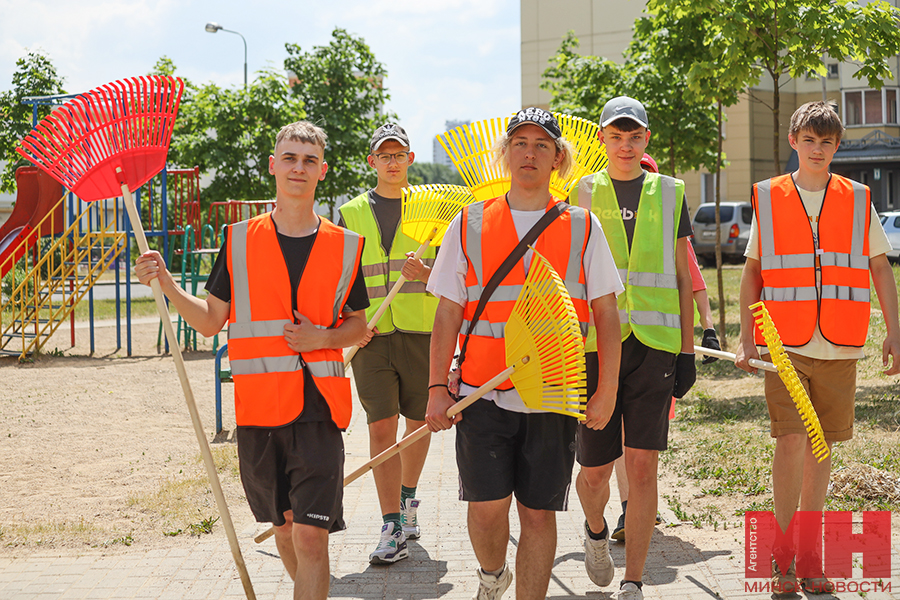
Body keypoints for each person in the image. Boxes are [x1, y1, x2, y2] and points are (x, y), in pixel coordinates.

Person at [134, 121, 369, 600]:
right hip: (259, 413)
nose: (298, 167)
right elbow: (209, 321)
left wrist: (321, 337)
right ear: (273, 166)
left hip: (319, 412)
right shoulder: (239, 239)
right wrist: (168, 286)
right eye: (290, 157)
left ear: (322, 171)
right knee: (284, 531)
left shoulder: (345, 246)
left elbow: (358, 327)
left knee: (310, 536)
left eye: (308, 160)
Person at [424, 107, 623, 600]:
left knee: (537, 513)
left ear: (559, 157)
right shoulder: (469, 223)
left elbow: (607, 315)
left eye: (541, 145)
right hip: (479, 394)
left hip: (552, 397)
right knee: (487, 509)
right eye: (520, 143)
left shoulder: (582, 225)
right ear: (506, 154)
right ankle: (492, 575)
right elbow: (447, 314)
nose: (529, 153)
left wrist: (607, 391)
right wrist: (434, 389)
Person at [735, 101, 900, 597]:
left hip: (840, 346)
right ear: (794, 142)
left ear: (837, 146)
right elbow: (751, 273)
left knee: (821, 449)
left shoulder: (857, 198)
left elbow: (880, 269)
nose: (818, 149)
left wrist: (894, 330)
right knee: (790, 443)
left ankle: (810, 557)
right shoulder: (768, 196)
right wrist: (747, 335)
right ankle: (783, 560)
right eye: (809, 140)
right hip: (784, 346)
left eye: (827, 142)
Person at [568, 97, 696, 600]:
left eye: (635, 135)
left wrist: (686, 350)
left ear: (646, 139)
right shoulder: (581, 192)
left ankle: (634, 580)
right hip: (595, 350)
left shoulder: (670, 192)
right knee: (594, 473)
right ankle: (596, 530)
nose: (626, 144)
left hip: (655, 346)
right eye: (616, 136)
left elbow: (684, 275)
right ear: (602, 138)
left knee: (642, 466)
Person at [608, 153, 720, 543]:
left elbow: (691, 280)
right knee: (617, 439)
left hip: (658, 347)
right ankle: (626, 508)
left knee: (638, 444)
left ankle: (633, 506)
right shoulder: (602, 213)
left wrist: (706, 331)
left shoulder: (671, 224)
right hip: (610, 344)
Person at [338, 123, 436, 564]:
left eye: (399, 154)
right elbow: (339, 279)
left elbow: (458, 278)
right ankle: (391, 524)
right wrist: (349, 322)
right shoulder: (351, 213)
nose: (392, 161)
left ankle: (409, 500)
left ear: (410, 159)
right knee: (381, 426)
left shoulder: (434, 210)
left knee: (417, 424)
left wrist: (426, 275)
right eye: (384, 154)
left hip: (422, 332)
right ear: (371, 160)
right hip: (371, 335)